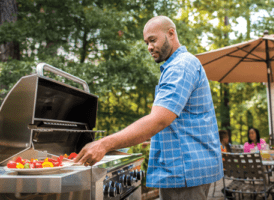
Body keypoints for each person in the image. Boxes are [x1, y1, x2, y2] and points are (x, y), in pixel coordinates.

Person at [74, 16, 223, 200]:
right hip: (185, 168)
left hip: (185, 170)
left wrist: (103, 144)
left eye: (153, 40)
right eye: (146, 42)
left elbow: (158, 120)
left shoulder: (180, 66)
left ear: (171, 33)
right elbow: (177, 123)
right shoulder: (179, 65)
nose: (149, 47)